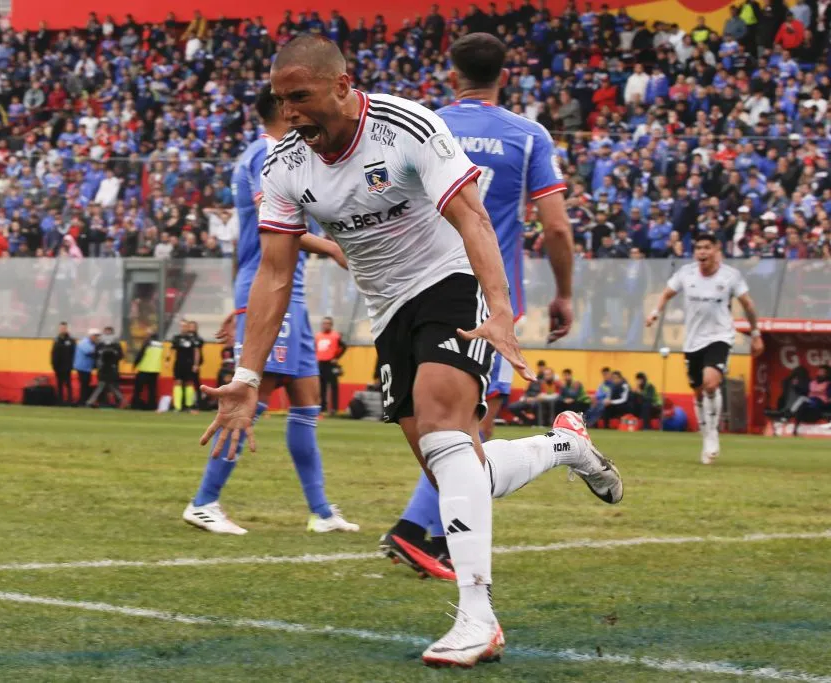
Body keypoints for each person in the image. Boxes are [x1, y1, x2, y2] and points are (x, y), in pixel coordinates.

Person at [200, 35, 621, 668]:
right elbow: (275, 273)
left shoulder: (407, 127)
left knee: (445, 431)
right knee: (455, 470)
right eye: (282, 101)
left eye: (301, 97)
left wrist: (499, 307)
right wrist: (248, 374)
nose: (289, 112)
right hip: (388, 310)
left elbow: (473, 218)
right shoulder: (283, 164)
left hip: (452, 282)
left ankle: (477, 620)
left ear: (342, 87)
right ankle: (565, 446)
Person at [381, 30, 584, 584]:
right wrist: (564, 293)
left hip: (415, 290)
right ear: (505, 77)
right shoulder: (528, 136)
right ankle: (415, 529)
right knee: (472, 423)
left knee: (454, 420)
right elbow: (557, 227)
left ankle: (437, 538)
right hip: (485, 294)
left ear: (453, 76)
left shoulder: (424, 125)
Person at [184, 83, 358, 535]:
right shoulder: (267, 154)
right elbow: (275, 226)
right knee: (254, 395)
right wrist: (333, 248)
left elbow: (248, 238)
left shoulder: (261, 154)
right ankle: (204, 501)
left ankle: (321, 512)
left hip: (283, 291)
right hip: (273, 287)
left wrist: (239, 300)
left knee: (307, 399)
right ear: (286, 109)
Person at [647, 232, 764, 464]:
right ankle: (705, 432)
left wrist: (756, 334)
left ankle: (712, 435)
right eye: (698, 247)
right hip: (693, 341)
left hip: (720, 336)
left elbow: (748, 305)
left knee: (711, 383)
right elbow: (666, 294)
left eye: (707, 247)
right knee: (698, 390)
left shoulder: (730, 276)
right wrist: (655, 312)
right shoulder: (686, 274)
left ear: (716, 250)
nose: (702, 252)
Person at [86, 327, 124, 408]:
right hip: (104, 368)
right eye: (106, 333)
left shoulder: (115, 345)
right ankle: (121, 401)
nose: (107, 335)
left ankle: (121, 401)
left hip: (111, 368)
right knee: (106, 385)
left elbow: (120, 356)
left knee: (109, 385)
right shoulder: (101, 344)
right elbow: (96, 355)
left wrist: (113, 358)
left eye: (109, 333)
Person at [315, 316, 346, 416]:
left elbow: (344, 347)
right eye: (324, 323)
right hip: (320, 363)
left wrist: (336, 357)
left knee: (333, 386)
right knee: (321, 387)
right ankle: (322, 408)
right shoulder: (318, 336)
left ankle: (334, 409)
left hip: (331, 364)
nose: (326, 325)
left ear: (331, 325)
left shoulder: (335, 336)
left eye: (328, 323)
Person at [167, 320, 200, 412]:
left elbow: (196, 352)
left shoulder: (193, 339)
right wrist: (167, 360)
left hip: (189, 364)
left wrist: (196, 364)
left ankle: (189, 406)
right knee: (178, 383)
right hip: (179, 364)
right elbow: (171, 350)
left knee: (189, 383)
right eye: (181, 326)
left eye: (185, 326)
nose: (183, 328)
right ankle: (177, 407)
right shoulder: (176, 338)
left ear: (188, 327)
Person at [132, 326, 163, 410]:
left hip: (144, 368)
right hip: (155, 369)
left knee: (138, 388)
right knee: (152, 390)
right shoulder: (160, 344)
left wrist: (135, 364)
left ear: (150, 335)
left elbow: (141, 354)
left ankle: (135, 405)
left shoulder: (148, 343)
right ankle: (152, 406)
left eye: (147, 333)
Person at [50, 321, 75, 404]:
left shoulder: (71, 340)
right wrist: (53, 364)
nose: (62, 329)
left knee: (68, 384)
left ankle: (70, 400)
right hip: (58, 366)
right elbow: (53, 353)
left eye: (64, 328)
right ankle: (60, 400)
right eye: (61, 328)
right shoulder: (56, 340)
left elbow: (73, 353)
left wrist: (72, 364)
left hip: (67, 366)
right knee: (59, 384)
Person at [74, 329, 100, 405]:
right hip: (82, 368)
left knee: (86, 384)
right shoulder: (84, 343)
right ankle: (82, 401)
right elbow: (90, 352)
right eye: (95, 336)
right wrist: (100, 348)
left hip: (87, 368)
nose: (97, 338)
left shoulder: (92, 344)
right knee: (84, 384)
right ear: (91, 336)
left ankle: (84, 400)